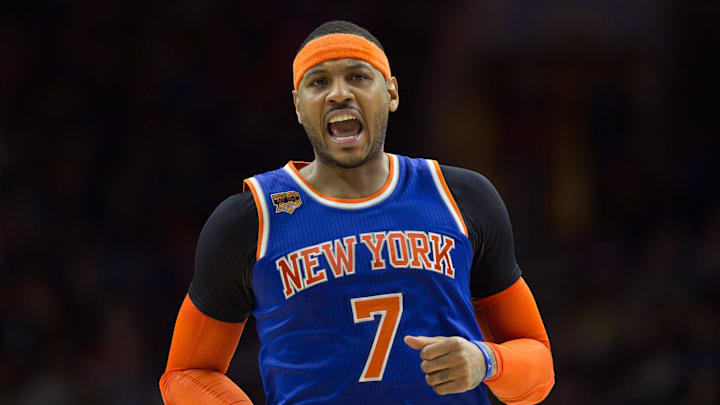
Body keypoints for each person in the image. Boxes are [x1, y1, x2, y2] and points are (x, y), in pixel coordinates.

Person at [159, 20, 554, 405]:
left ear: (392, 93)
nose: (339, 94)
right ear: (298, 105)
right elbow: (185, 374)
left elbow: (538, 366)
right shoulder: (251, 218)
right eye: (319, 82)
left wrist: (486, 361)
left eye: (358, 77)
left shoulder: (462, 197)